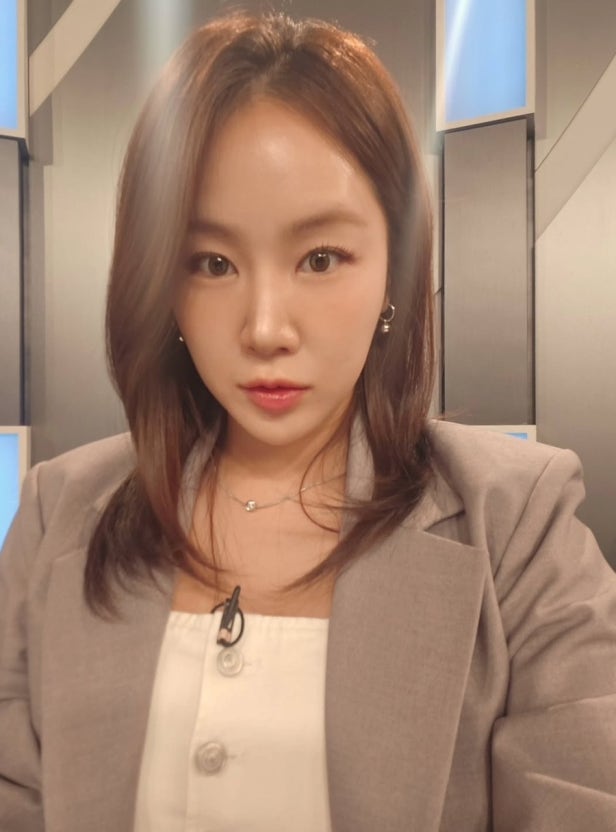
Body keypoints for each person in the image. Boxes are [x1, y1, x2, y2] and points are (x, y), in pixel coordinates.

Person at [1, 11, 615, 832]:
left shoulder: (516, 520)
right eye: (213, 263)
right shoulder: (58, 509)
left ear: (395, 266)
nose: (265, 328)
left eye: (320, 259)